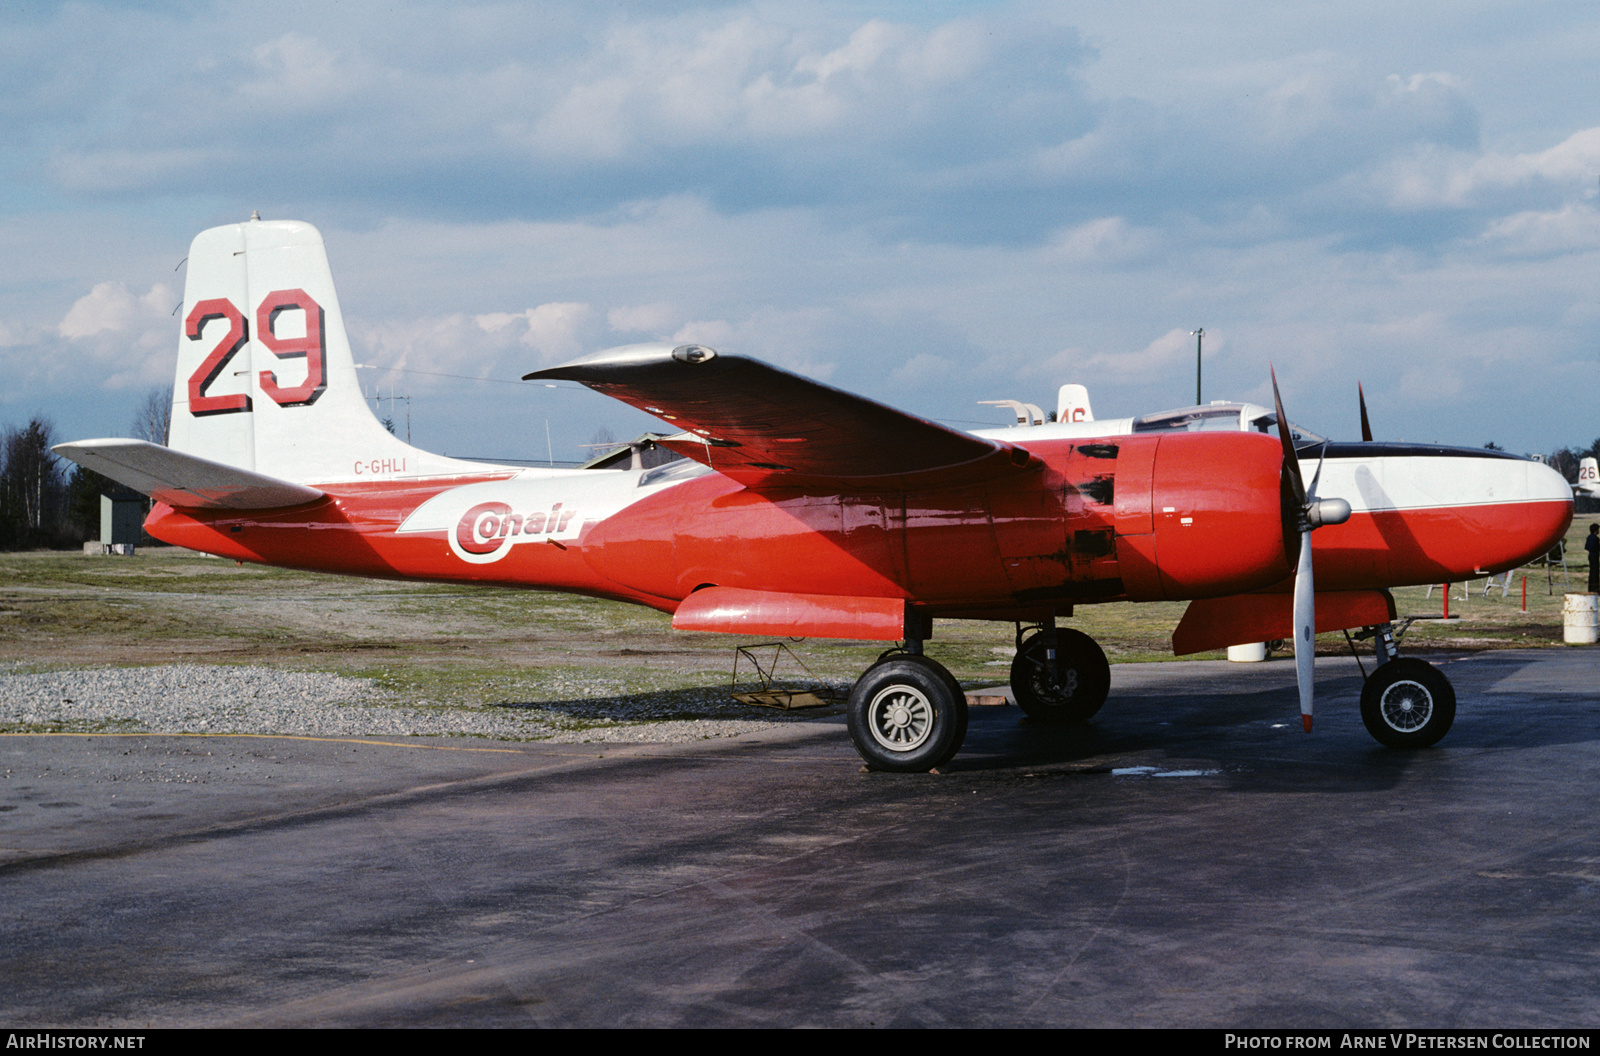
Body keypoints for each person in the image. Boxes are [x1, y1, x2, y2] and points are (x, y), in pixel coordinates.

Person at [1588, 523, 1599, 593]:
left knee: (1592, 572)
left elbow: (1587, 547)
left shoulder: (1589, 537)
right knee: (1595, 573)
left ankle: (1591, 588)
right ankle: (1595, 589)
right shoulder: (1595, 538)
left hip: (1590, 556)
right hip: (1595, 556)